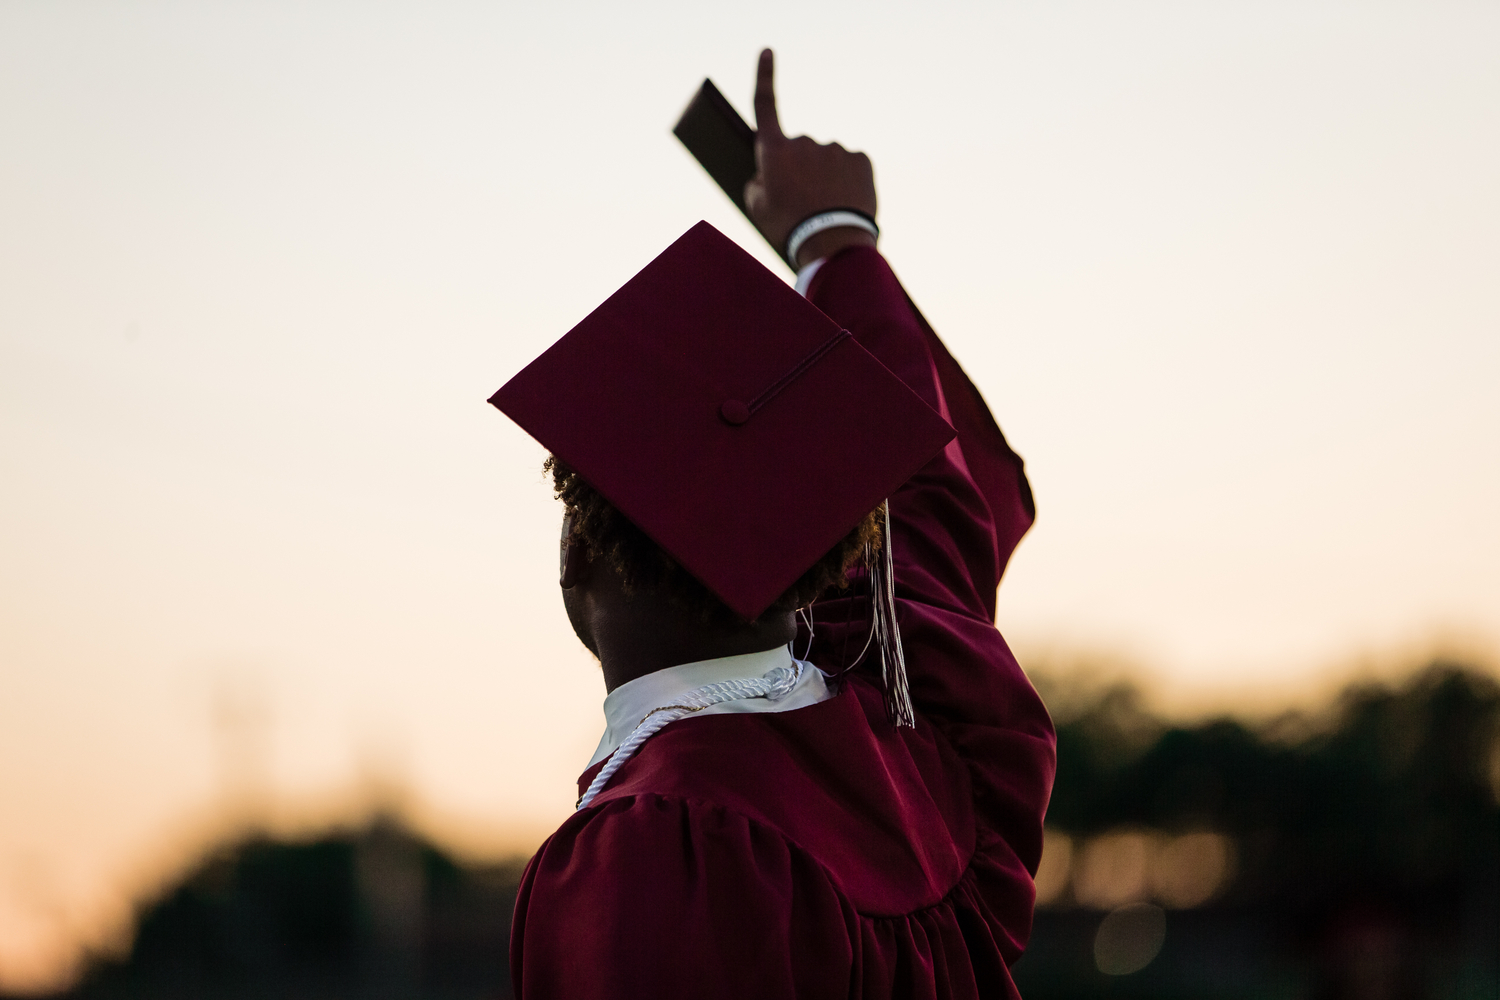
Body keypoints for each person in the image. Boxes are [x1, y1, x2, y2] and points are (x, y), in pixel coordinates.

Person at [490, 49, 1055, 1000]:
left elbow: (925, 523)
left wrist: (835, 248)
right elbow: (933, 532)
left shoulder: (651, 847)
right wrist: (834, 241)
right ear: (829, 550)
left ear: (576, 549)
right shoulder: (925, 756)